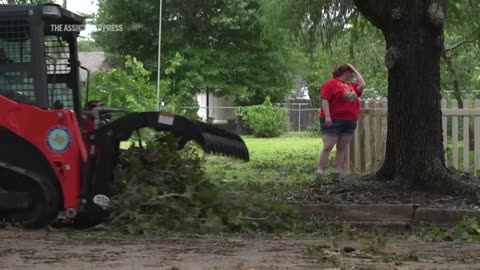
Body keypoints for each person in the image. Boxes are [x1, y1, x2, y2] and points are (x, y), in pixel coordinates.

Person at [316, 63, 366, 178]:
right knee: (328, 145)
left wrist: (354, 68)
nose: (353, 75)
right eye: (351, 72)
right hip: (333, 120)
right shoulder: (330, 83)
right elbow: (325, 101)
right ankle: (320, 171)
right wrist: (328, 117)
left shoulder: (352, 85)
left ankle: (337, 170)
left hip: (349, 120)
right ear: (346, 72)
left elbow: (363, 84)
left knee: (342, 146)